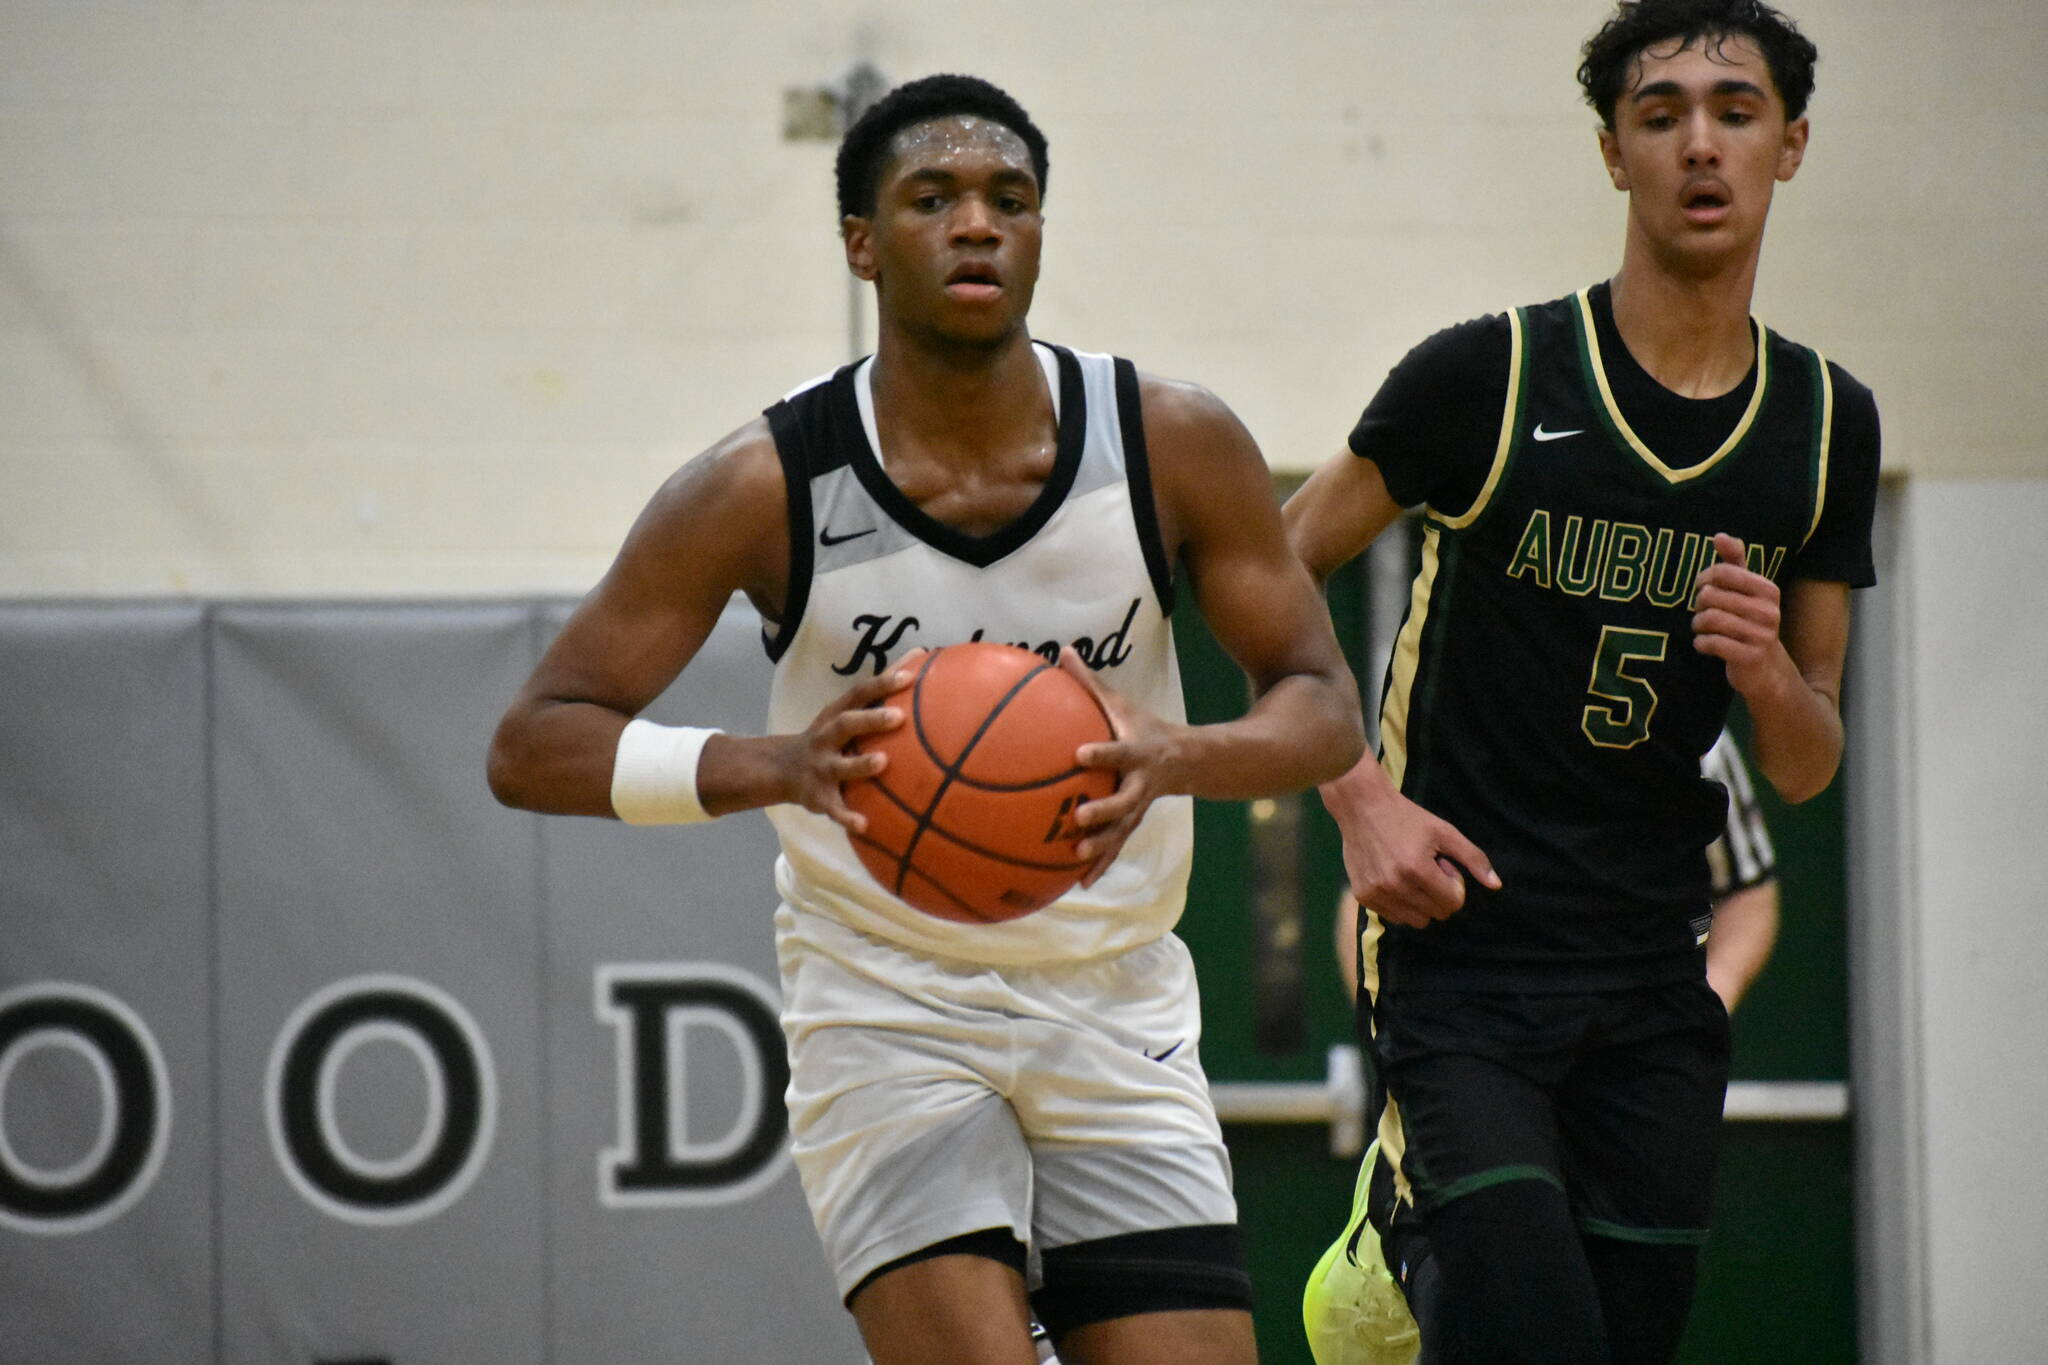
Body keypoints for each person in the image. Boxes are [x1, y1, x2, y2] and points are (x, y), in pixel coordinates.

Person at [487, 74, 1364, 1365]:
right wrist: (771, 764)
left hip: (1115, 998)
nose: (977, 224)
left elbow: (1323, 707)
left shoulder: (1167, 439)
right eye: (933, 198)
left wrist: (1181, 753)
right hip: (888, 998)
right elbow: (537, 739)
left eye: (1009, 199)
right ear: (861, 242)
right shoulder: (763, 480)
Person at [1284, 2, 1879, 1361]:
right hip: (1465, 943)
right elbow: (1274, 568)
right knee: (1534, 1336)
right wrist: (1359, 800)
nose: (1699, 144)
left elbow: (1807, 755)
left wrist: (1769, 667)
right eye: (1659, 114)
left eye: (1735, 110)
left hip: (1653, 962)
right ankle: (1401, 1230)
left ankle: (1410, 1245)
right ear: (1614, 153)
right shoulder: (1487, 377)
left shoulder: (1827, 423)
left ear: (1791, 144)